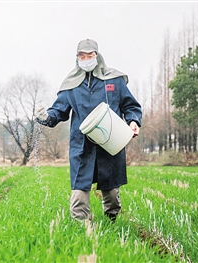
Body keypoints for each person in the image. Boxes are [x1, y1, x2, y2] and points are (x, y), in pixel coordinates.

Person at [36, 39, 142, 222]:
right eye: (82, 56)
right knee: (79, 189)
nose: (86, 59)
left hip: (110, 141)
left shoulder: (114, 80)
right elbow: (58, 112)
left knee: (111, 190)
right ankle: (81, 226)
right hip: (82, 145)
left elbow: (130, 105)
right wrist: (45, 116)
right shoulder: (71, 85)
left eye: (89, 55)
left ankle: (112, 220)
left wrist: (133, 121)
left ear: (97, 55)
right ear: (77, 58)